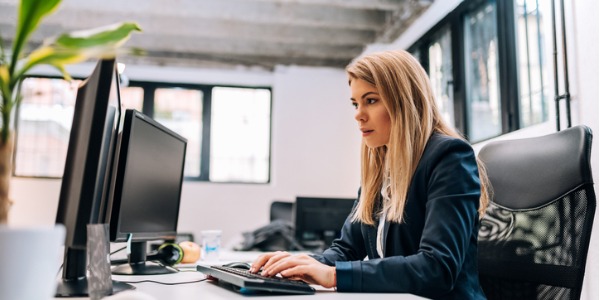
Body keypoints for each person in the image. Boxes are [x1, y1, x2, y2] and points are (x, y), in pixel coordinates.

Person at [250, 50, 490, 299]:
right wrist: (295, 265)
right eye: (355, 103)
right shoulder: (382, 168)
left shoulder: (449, 157)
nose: (358, 114)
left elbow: (437, 268)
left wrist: (334, 276)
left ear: (404, 101)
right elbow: (344, 250)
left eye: (371, 100)